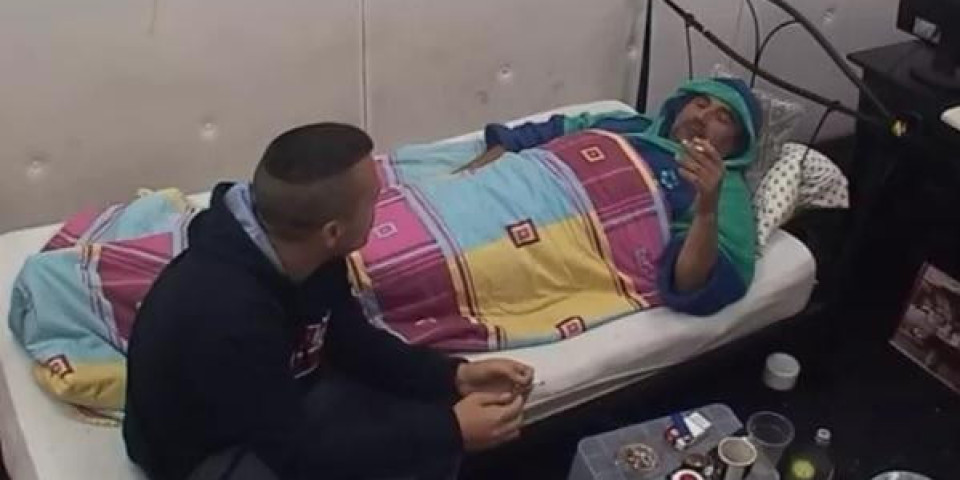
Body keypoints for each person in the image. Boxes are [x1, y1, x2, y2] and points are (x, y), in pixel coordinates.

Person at [123, 123, 535, 479]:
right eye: (373, 199)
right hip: (204, 452)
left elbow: (353, 342)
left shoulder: (309, 252)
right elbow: (294, 453)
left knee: (429, 416)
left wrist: (454, 376)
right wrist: (449, 430)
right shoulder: (226, 314)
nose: (381, 205)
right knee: (426, 442)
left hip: (282, 402)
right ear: (333, 230)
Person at [465, 77, 761, 315]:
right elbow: (533, 135)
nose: (703, 116)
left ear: (737, 144)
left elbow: (692, 282)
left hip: (547, 240)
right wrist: (471, 179)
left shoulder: (723, 190)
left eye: (722, 118)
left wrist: (707, 210)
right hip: (505, 194)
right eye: (700, 103)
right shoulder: (629, 125)